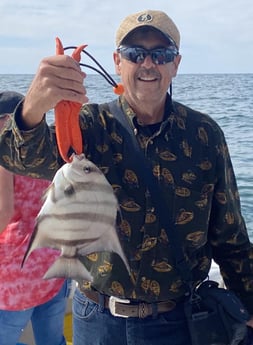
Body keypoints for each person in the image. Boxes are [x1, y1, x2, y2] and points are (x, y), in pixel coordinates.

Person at [0, 9, 252, 345]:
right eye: (136, 54)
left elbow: (230, 235)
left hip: (179, 320)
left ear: (175, 64)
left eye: (161, 54)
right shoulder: (87, 124)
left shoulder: (205, 134)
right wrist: (33, 107)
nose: (148, 63)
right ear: (118, 62)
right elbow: (20, 159)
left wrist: (249, 302)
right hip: (97, 317)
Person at [0, 91, 68, 345]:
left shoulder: (4, 157)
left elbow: (4, 211)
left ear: (7, 119)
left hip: (15, 272)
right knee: (52, 340)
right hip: (53, 260)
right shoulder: (51, 150)